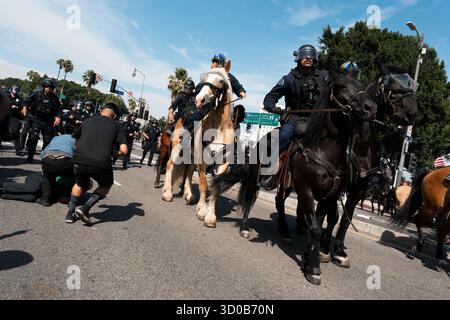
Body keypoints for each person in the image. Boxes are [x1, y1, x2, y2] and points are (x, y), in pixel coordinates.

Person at [258, 45, 330, 190]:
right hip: (295, 118)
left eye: (311, 56)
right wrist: (276, 109)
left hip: (318, 118)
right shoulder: (289, 79)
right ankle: (269, 173)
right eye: (305, 55)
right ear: (298, 58)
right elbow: (270, 97)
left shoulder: (324, 77)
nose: (308, 58)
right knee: (284, 136)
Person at [66, 102, 128, 225]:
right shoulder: (117, 126)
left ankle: (70, 213)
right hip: (100, 162)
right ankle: (85, 208)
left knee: (80, 183)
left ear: (101, 111)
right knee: (106, 184)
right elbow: (124, 150)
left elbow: (75, 140)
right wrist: (116, 154)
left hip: (80, 159)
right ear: (114, 115)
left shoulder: (87, 120)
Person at [24, 79, 62, 163]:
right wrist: (25, 108)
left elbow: (58, 110)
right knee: (33, 138)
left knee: (47, 141)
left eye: (50, 87)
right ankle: (30, 155)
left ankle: (44, 158)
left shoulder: (54, 98)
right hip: (37, 120)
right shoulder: (36, 94)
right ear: (44, 87)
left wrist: (58, 118)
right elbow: (26, 102)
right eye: (47, 87)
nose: (48, 89)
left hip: (48, 122)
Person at [37, 134, 76, 208]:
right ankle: (66, 196)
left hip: (48, 159)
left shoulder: (55, 138)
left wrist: (44, 166)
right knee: (71, 175)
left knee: (47, 175)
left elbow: (43, 153)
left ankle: (46, 197)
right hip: (65, 160)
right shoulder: (75, 139)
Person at [7, 85, 26, 155]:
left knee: (15, 132)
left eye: (16, 92)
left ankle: (18, 150)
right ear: (11, 90)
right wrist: (10, 106)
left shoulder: (19, 98)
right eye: (13, 92)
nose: (14, 93)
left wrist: (24, 111)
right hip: (5, 115)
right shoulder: (6, 97)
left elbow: (24, 105)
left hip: (15, 117)